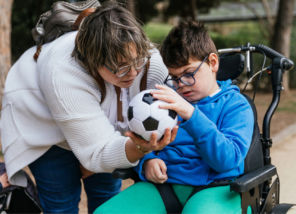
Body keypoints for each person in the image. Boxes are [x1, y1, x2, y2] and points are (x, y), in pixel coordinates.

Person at [0, 2, 178, 213]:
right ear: (93, 62)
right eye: (120, 68)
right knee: (61, 204)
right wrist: (135, 149)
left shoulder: (148, 60)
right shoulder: (63, 73)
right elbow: (97, 153)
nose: (132, 73)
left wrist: (103, 159)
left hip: (99, 120)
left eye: (137, 62)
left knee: (106, 197)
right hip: (45, 126)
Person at [94, 21, 254, 214]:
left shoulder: (236, 105)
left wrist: (192, 115)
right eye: (174, 77)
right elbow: (145, 141)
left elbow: (227, 161)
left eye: (188, 74)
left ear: (212, 62)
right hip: (164, 186)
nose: (181, 85)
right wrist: (147, 162)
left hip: (216, 186)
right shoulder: (163, 100)